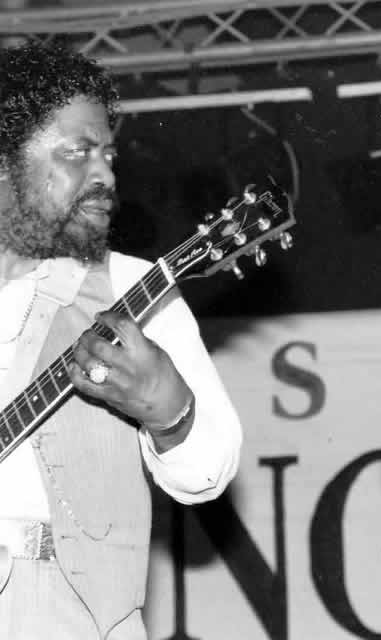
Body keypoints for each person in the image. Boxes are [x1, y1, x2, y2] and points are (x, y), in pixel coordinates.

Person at [0, 43, 242, 638]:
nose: (105, 173)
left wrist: (171, 414)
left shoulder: (133, 287)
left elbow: (210, 468)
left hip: (70, 614)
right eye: (78, 152)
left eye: (108, 154)